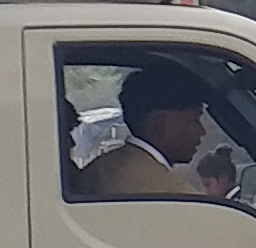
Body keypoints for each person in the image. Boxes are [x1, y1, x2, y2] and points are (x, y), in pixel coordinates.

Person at [76, 66, 214, 201]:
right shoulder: (175, 195)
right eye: (194, 120)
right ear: (161, 124)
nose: (202, 131)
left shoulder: (97, 170)